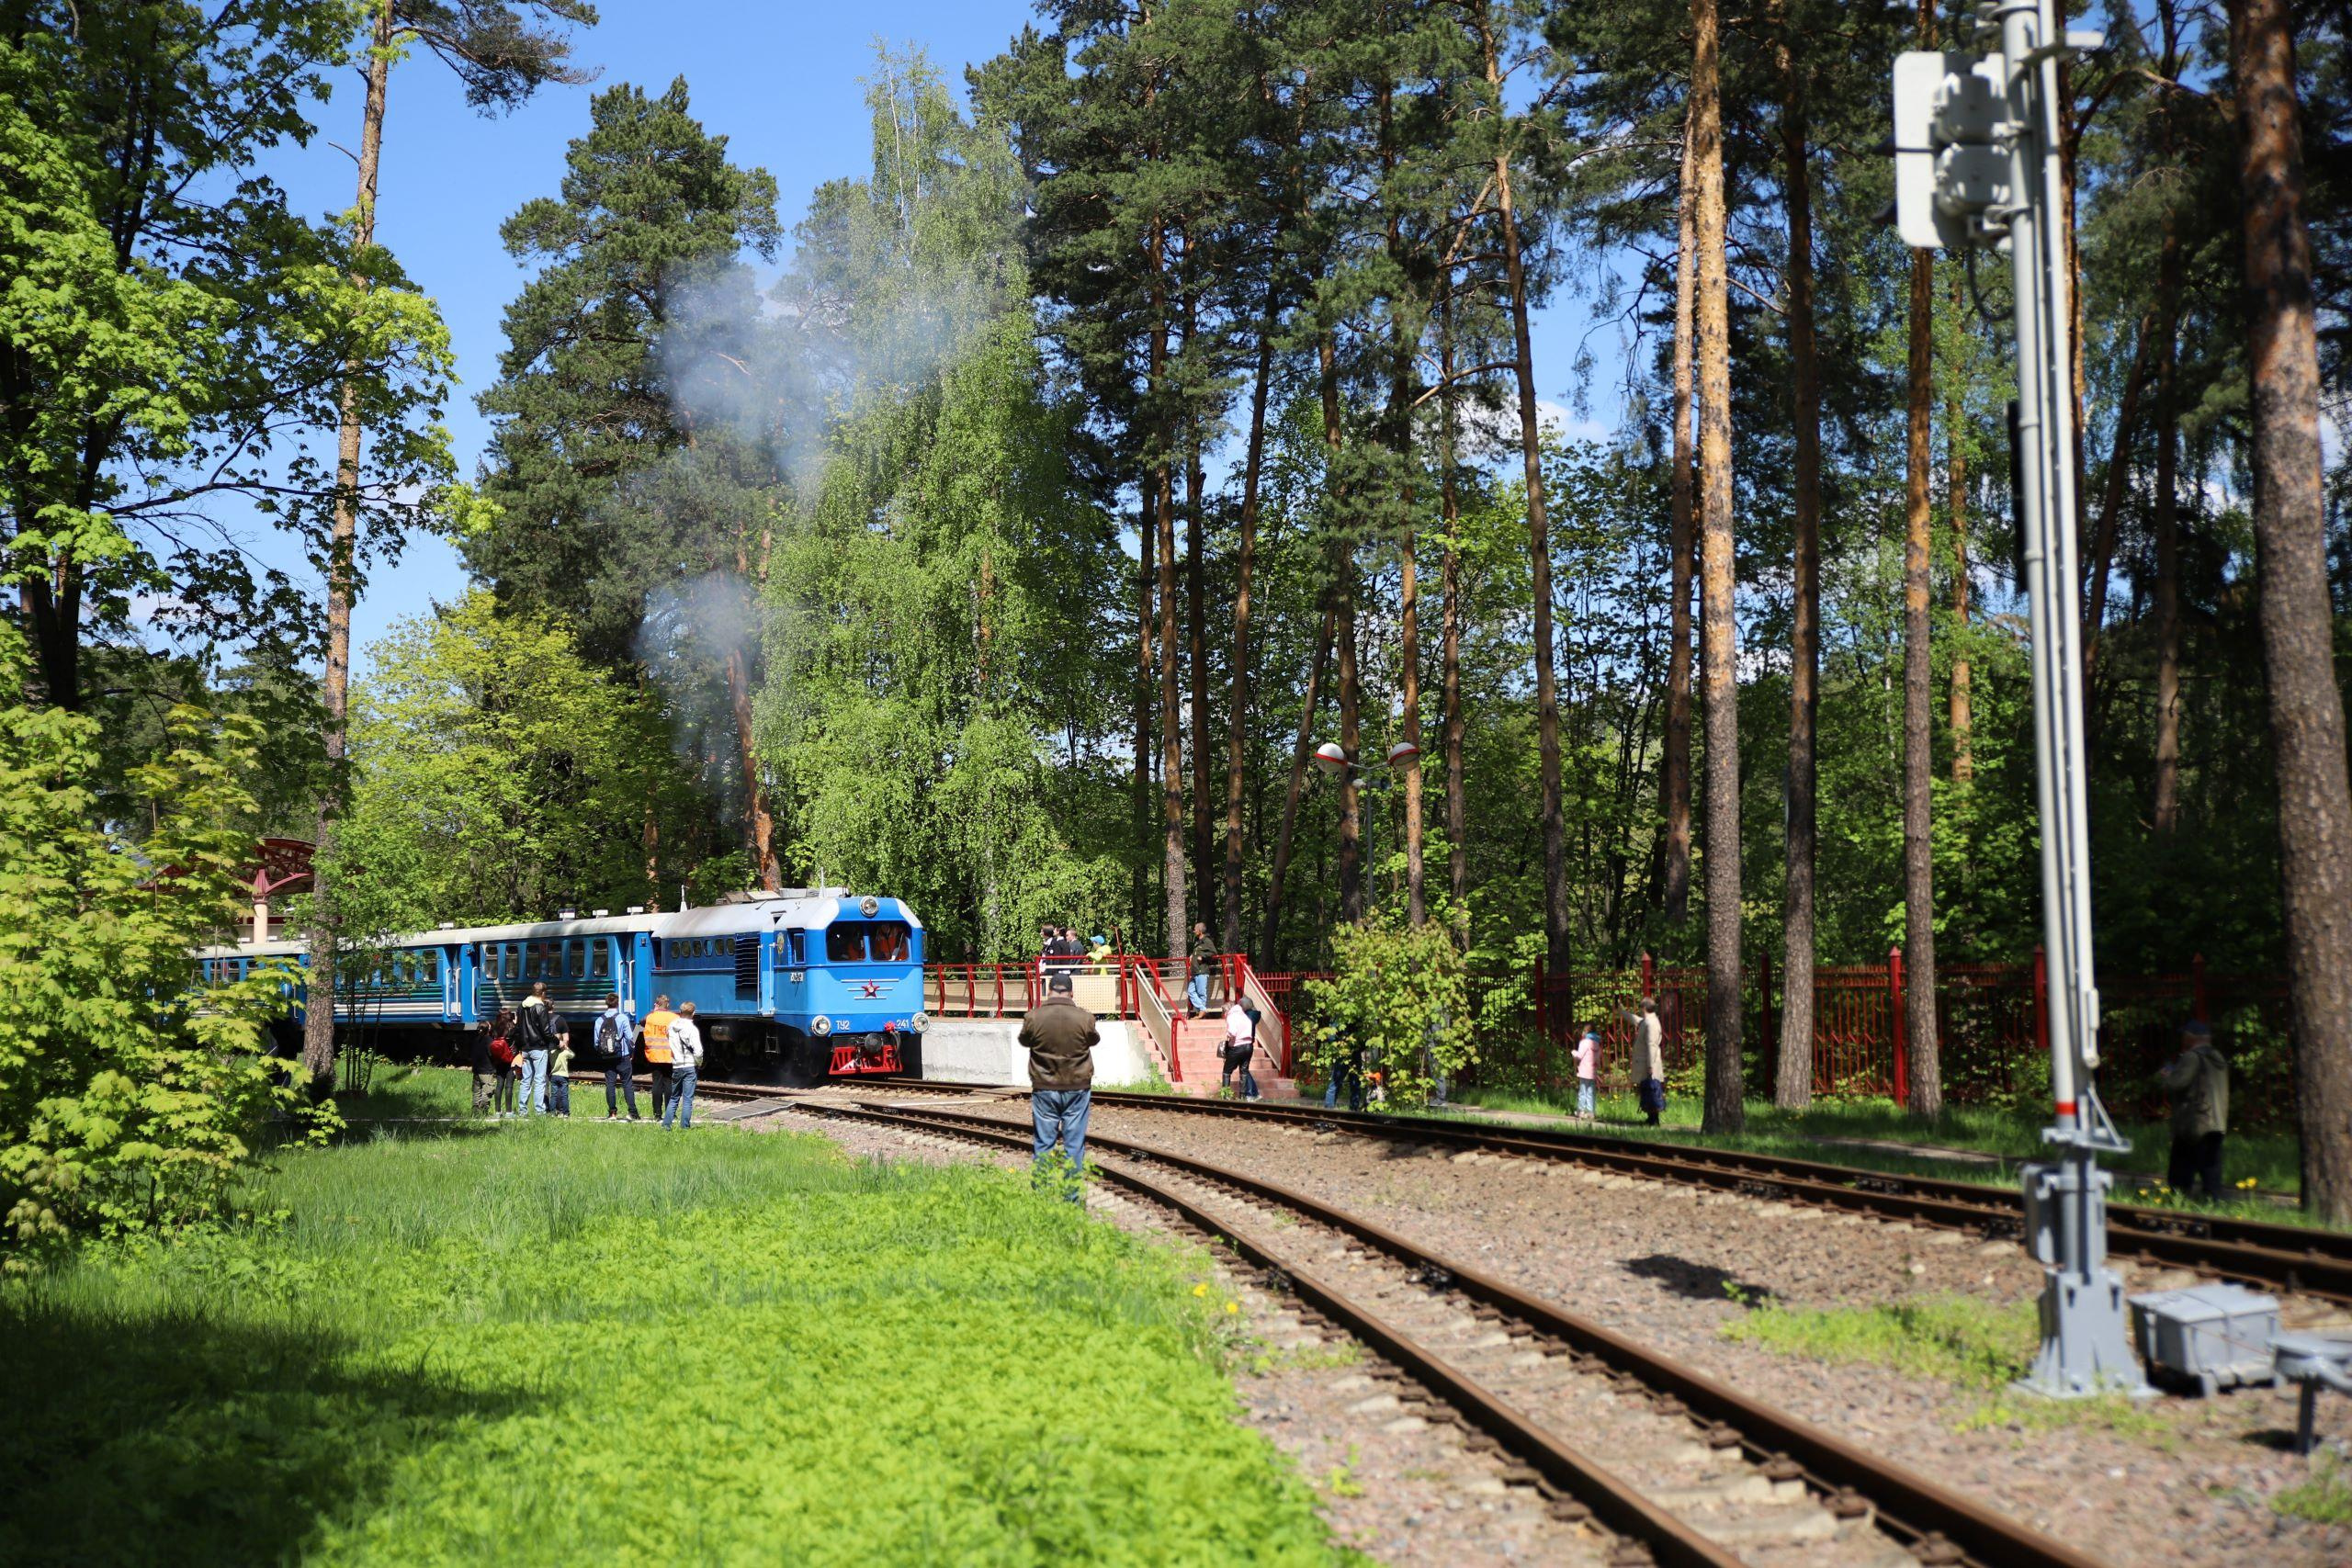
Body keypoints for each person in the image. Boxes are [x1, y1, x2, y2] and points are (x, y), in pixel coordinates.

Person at [1020, 969, 1099, 1199]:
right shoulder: (1085, 1018)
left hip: (1044, 1088)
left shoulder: (1033, 1017)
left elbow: (1025, 1040)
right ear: (1071, 993)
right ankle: (1071, 1200)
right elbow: (1093, 1039)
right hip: (1077, 1088)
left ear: (1049, 990)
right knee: (1074, 1146)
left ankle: (1041, 1198)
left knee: (1043, 1143)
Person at [2161, 1021, 2230, 1201]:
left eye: (2184, 1035)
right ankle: (2214, 1203)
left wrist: (2168, 1076)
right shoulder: (2217, 1056)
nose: (2182, 1039)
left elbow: (2178, 1083)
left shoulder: (2192, 1057)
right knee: (2211, 1168)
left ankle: (2178, 1202)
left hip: (2194, 1122)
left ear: (2191, 1037)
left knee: (2180, 1169)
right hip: (2217, 1121)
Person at [513, 982, 559, 1118]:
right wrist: (557, 1041)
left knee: (526, 1080)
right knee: (539, 1080)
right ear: (543, 993)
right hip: (538, 1048)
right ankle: (539, 1111)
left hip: (525, 1049)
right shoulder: (540, 1007)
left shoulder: (521, 1006)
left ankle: (522, 1111)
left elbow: (518, 1028)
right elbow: (546, 1031)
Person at [1620, 996, 1665, 1127]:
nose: (1639, 1010)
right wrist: (1621, 1010)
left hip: (1648, 1063)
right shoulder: (1648, 1021)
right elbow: (1636, 1019)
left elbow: (1652, 1045)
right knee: (1647, 1090)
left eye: (1640, 1007)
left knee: (1651, 1090)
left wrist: (1650, 1066)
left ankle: (1654, 1120)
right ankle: (1651, 1118)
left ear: (1644, 1008)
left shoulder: (1651, 1023)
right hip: (1646, 1062)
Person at [595, 993, 641, 1121]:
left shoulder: (599, 1020)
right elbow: (631, 1039)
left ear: (606, 1003)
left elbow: (596, 1042)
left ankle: (612, 1113)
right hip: (622, 1056)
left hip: (607, 1057)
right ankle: (632, 1112)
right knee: (627, 1083)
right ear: (618, 1003)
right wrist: (632, 1050)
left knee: (610, 1084)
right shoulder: (623, 1018)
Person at [663, 1002, 704, 1130]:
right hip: (690, 1066)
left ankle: (666, 1126)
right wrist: (699, 1062)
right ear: (693, 1013)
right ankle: (685, 1127)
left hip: (676, 1066)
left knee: (674, 1098)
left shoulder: (671, 1026)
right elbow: (698, 1051)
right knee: (687, 1100)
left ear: (680, 1012)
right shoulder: (692, 1029)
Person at [641, 993, 678, 1122]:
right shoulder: (674, 1017)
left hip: (654, 1056)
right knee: (669, 1084)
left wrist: (653, 1011)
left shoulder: (650, 1017)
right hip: (669, 1055)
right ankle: (670, 1112)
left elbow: (639, 1024)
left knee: (656, 1084)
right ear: (667, 1004)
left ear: (656, 1004)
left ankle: (657, 1114)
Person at [1223, 998, 1262, 1101]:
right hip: (1248, 1046)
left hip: (1237, 1046)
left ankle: (1225, 1096)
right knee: (1244, 1071)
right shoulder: (1245, 1016)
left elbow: (1232, 1032)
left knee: (1227, 1071)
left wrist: (1228, 1035)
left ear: (1227, 1011)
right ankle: (1243, 1096)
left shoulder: (1231, 1016)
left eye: (1224, 1013)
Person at [489, 1008, 518, 1117]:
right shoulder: (512, 1028)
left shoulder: (494, 1027)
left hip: (499, 1059)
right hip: (510, 1058)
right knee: (509, 1086)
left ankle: (497, 1111)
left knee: (499, 1085)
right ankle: (509, 1112)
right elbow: (518, 1040)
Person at [470, 1014, 502, 1116]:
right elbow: (492, 1054)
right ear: (488, 1029)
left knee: (476, 1092)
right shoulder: (489, 1041)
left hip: (476, 1070)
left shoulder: (475, 1040)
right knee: (487, 1091)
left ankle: (475, 1111)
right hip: (486, 1071)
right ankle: (483, 1111)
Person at [1187, 921, 1219, 1018]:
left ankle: (1201, 1013)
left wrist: (1203, 957)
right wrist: (1193, 955)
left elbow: (1214, 952)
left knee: (1201, 993)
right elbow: (1198, 952)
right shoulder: (1197, 942)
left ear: (1200, 931)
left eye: (1195, 929)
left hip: (1202, 971)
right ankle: (1202, 1009)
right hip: (1195, 971)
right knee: (1190, 991)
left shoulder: (1207, 941)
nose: (1194, 931)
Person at [1573, 1023, 1600, 1121]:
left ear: (1587, 1032)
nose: (1582, 1032)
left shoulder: (1584, 1042)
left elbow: (1579, 1056)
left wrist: (1574, 1053)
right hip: (1592, 1072)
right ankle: (1591, 1112)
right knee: (1590, 1092)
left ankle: (1581, 1111)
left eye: (1584, 1030)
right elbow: (1598, 1060)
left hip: (1584, 1071)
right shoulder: (1596, 1043)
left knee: (1582, 1091)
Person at [548, 1021, 574, 1117]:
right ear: (562, 1041)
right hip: (563, 1076)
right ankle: (566, 1113)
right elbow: (572, 1055)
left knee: (554, 1095)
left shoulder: (551, 1052)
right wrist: (566, 1047)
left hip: (554, 1076)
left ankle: (552, 1112)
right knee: (564, 1096)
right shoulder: (565, 1053)